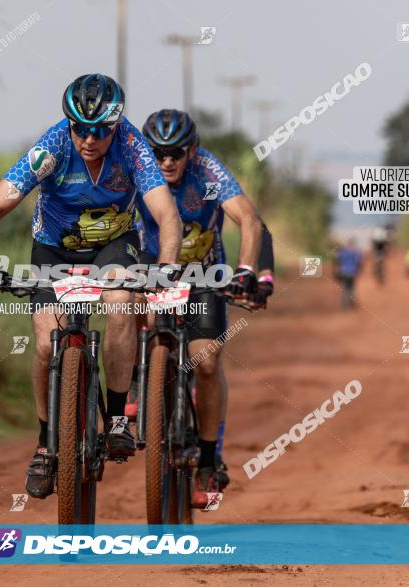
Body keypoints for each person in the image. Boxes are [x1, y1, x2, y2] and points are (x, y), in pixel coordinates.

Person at [0, 74, 183, 499]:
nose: (89, 139)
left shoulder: (133, 148)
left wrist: (166, 268)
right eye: (80, 128)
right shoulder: (52, 146)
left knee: (121, 301)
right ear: (68, 124)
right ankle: (47, 441)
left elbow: (168, 217)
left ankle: (119, 416)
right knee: (48, 344)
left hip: (114, 245)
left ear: (116, 125)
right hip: (54, 249)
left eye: (100, 131)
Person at [134, 109, 271, 507]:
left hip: (204, 277)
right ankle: (139, 387)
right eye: (158, 153)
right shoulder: (134, 172)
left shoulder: (208, 170)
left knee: (207, 364)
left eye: (175, 152)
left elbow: (249, 220)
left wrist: (245, 271)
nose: (167, 162)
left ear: (191, 150)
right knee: (125, 310)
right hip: (151, 273)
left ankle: (209, 458)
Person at [335, 238, 363, 308]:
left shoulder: (342, 252)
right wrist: (359, 270)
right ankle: (351, 302)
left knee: (345, 287)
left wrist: (337, 271)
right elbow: (359, 262)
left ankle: (344, 303)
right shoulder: (356, 252)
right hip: (352, 272)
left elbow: (338, 261)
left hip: (343, 272)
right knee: (351, 287)